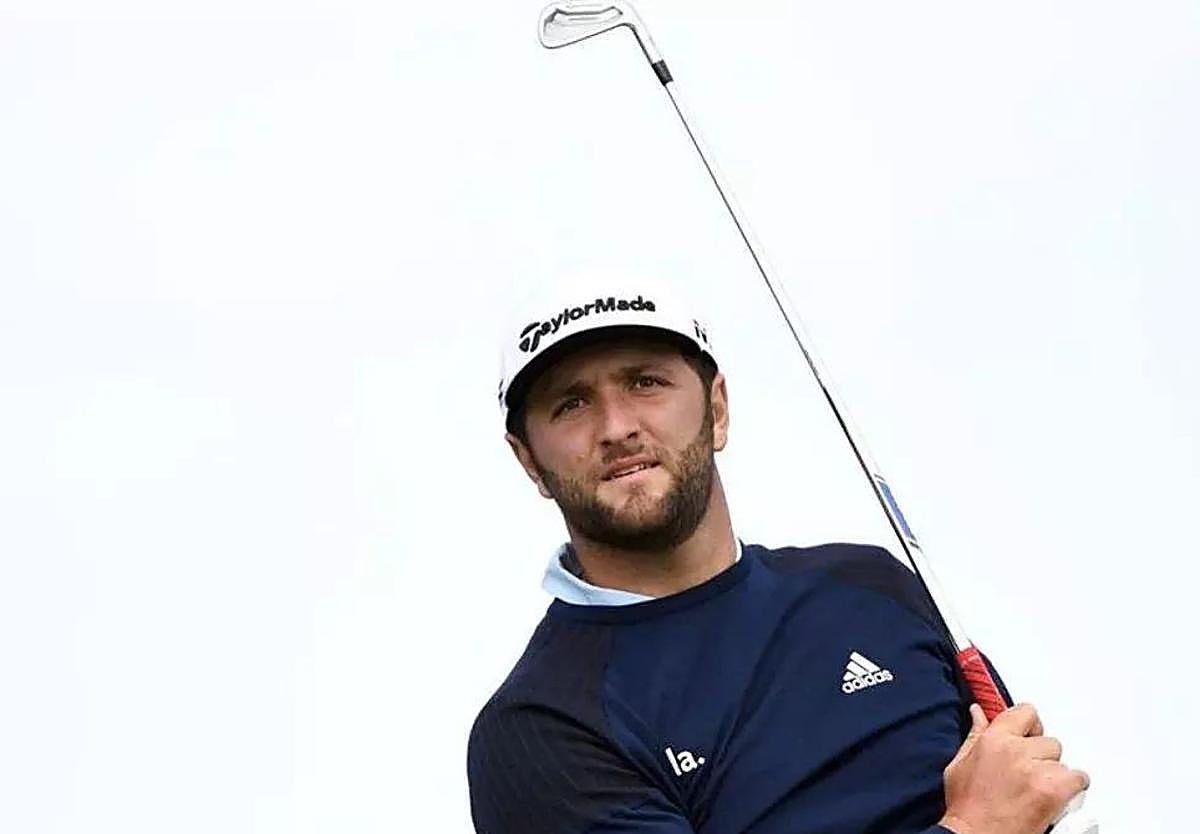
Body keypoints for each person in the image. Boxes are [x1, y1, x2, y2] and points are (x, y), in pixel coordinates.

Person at [468, 276, 1088, 833]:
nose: (616, 426)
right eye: (571, 403)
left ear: (717, 408)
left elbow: (1031, 796)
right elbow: (1001, 815)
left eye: (645, 382)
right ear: (529, 461)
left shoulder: (873, 587)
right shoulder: (539, 729)